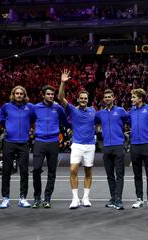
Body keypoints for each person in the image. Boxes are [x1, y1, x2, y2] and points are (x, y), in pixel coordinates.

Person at [58, 69, 96, 209]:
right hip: (77, 145)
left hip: (90, 146)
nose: (83, 100)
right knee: (73, 170)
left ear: (88, 99)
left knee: (88, 172)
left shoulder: (93, 111)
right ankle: (75, 199)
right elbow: (61, 98)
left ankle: (85, 198)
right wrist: (63, 82)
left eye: (85, 98)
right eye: (81, 98)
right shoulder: (72, 110)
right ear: (78, 100)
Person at [32, 85, 68, 209]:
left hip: (53, 142)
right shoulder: (35, 108)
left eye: (52, 94)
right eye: (48, 94)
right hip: (39, 141)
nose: (51, 96)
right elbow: (28, 118)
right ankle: (37, 198)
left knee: (52, 172)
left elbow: (65, 122)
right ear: (43, 95)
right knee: (36, 169)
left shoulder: (58, 108)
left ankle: (47, 198)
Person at [0, 86, 33, 209]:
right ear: (13, 95)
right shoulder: (6, 107)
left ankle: (23, 198)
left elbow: (38, 113)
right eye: (17, 93)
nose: (19, 95)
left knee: (24, 172)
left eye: (21, 93)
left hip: (23, 143)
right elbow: (0, 118)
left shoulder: (30, 107)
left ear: (24, 95)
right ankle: (5, 198)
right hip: (9, 142)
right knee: (6, 171)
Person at [95, 89, 129, 210]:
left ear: (113, 98)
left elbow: (130, 121)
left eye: (109, 96)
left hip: (118, 146)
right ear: (103, 99)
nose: (107, 98)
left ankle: (118, 199)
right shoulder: (100, 114)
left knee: (119, 175)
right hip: (106, 147)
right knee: (110, 175)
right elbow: (88, 121)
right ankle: (113, 198)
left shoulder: (120, 111)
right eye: (105, 97)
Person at [129, 88, 148, 209]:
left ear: (140, 98)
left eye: (134, 97)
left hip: (147, 144)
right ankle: (139, 198)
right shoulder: (132, 110)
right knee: (137, 173)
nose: (132, 99)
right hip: (134, 145)